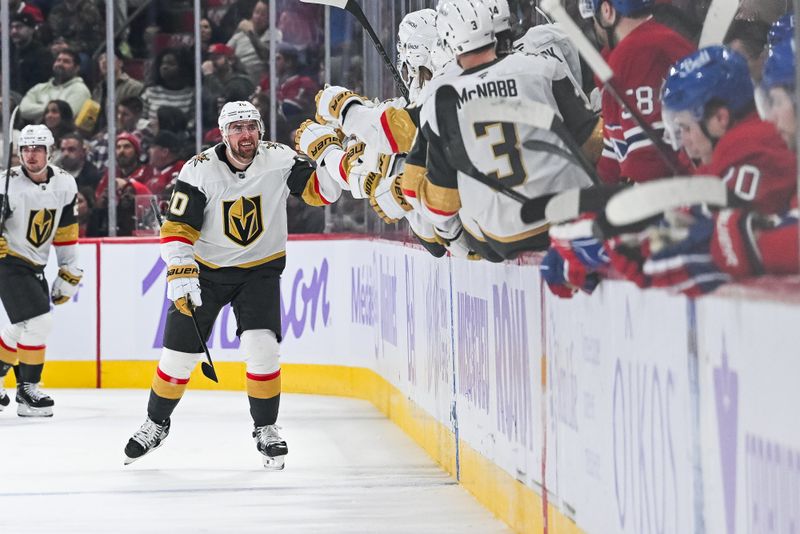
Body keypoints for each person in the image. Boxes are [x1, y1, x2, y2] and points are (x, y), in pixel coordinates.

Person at [122, 101, 342, 467]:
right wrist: (180, 269)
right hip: (206, 271)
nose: (245, 134)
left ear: (261, 131)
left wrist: (336, 158)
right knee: (178, 358)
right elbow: (177, 228)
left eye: (251, 126)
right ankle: (156, 423)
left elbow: (323, 192)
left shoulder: (280, 159)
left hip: (260, 269)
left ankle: (266, 428)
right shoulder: (199, 170)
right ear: (223, 134)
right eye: (237, 128)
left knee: (263, 348)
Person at [404, 0, 597, 259]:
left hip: (501, 237)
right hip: (570, 214)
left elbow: (442, 207)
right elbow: (592, 143)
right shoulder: (541, 68)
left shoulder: (440, 98)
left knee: (459, 175)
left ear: (449, 39)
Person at [0, 125, 82, 416]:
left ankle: (9, 383)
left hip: (36, 263)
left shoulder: (65, 184)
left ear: (50, 151)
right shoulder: (5, 183)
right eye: (25, 148)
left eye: (37, 149)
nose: (30, 155)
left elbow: (65, 231)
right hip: (8, 260)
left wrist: (68, 268)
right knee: (40, 322)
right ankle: (29, 387)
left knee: (24, 325)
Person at [661, 45, 797, 215]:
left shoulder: (743, 146)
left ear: (720, 118)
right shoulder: (744, 142)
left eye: (687, 128)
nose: (685, 141)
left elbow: (720, 226)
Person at [579, 0, 695, 184]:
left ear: (607, 10)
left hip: (678, 195)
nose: (594, 25)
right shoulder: (653, 41)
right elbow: (615, 148)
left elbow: (650, 159)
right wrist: (598, 193)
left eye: (594, 17)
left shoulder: (635, 52)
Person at [18, 49, 91, 123]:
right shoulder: (39, 87)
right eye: (58, 60)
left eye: (66, 61)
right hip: (37, 132)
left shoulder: (80, 89)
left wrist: (37, 109)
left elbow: (66, 115)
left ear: (76, 68)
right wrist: (53, 109)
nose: (60, 64)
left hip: (64, 133)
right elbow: (23, 110)